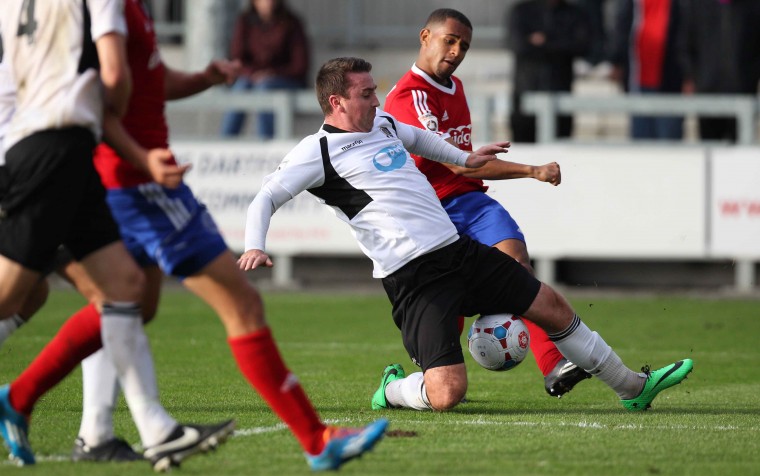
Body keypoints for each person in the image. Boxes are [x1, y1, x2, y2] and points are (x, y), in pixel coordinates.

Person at [2, 0, 388, 472]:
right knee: (238, 303)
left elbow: (147, 79)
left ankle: (24, 400)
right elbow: (108, 88)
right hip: (136, 182)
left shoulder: (130, 9)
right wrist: (140, 155)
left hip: (120, 173)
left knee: (126, 302)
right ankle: (314, 438)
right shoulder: (106, 6)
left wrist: (204, 77)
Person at [238, 56, 694, 414]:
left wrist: (467, 157)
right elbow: (265, 198)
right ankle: (394, 389)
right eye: (366, 94)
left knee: (550, 304)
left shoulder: (383, 126)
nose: (377, 101)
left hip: (458, 252)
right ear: (336, 102)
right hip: (414, 278)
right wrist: (255, 244)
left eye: (375, 91)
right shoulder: (314, 152)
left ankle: (632, 387)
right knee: (448, 393)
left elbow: (425, 144)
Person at [0, 0, 235, 469]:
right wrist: (130, 131)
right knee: (14, 295)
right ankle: (106, 428)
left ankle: (151, 429)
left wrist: (137, 151)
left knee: (121, 289)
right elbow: (115, 76)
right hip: (48, 149)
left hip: (57, 147)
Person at [383, 8, 589, 398]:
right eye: (450, 40)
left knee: (517, 268)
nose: (457, 51)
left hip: (469, 202)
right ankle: (422, 372)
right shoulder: (410, 97)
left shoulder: (455, 87)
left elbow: (458, 160)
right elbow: (456, 165)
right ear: (425, 36)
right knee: (448, 300)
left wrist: (472, 156)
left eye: (464, 45)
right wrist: (532, 170)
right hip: (430, 211)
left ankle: (553, 365)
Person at [220, 0, 310, 139]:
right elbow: (237, 58)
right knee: (242, 86)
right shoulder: (245, 21)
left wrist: (273, 74)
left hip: (285, 79)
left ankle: (266, 143)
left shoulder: (291, 22)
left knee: (264, 87)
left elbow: (299, 65)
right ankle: (225, 142)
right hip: (252, 78)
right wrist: (253, 74)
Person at [507, 0, 592, 142]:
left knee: (560, 149)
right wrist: (558, 43)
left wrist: (544, 42)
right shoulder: (522, 11)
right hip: (525, 93)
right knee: (523, 151)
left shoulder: (574, 13)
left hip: (560, 94)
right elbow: (517, 45)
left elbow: (582, 46)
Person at [679, 0, 760, 143]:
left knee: (740, 154)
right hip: (707, 93)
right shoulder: (697, 6)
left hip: (742, 95)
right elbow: (685, 43)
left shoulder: (752, 6)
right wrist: (691, 76)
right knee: (709, 153)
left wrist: (751, 79)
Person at [610, 0, 684, 140]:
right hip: (638, 81)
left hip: (670, 82)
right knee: (641, 147)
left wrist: (688, 74)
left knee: (670, 146)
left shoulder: (680, 4)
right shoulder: (632, 4)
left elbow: (687, 34)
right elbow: (623, 27)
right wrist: (617, 60)